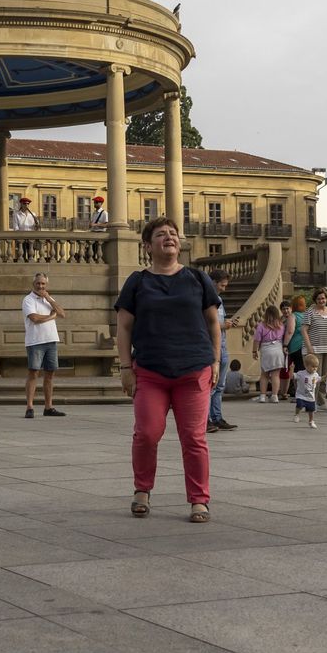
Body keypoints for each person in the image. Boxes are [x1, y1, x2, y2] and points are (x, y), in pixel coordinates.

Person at [116, 217, 221, 523]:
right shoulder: (138, 282)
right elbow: (123, 327)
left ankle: (199, 499)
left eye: (172, 234)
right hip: (150, 370)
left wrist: (215, 360)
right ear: (148, 246)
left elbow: (213, 322)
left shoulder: (198, 279)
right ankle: (142, 490)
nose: (169, 237)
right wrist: (125, 366)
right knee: (147, 433)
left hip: (194, 370)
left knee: (194, 437)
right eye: (161, 235)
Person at [20, 272, 66, 418]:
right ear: (33, 284)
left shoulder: (48, 298)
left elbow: (62, 313)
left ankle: (48, 407)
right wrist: (52, 316)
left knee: (50, 374)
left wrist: (48, 298)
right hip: (35, 341)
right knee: (33, 373)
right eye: (38, 283)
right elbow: (34, 318)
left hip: (51, 340)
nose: (41, 286)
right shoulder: (28, 300)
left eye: (43, 284)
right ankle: (29, 407)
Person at [205, 269, 240, 432]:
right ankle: (205, 420)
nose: (224, 289)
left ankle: (217, 417)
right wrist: (222, 325)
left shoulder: (218, 299)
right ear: (213, 282)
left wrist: (228, 323)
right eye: (222, 285)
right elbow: (205, 323)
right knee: (210, 386)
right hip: (211, 348)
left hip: (223, 346)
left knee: (220, 386)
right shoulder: (204, 299)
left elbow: (219, 321)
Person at [300, 289, 327, 411]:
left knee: (323, 377)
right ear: (315, 300)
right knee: (313, 378)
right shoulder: (310, 312)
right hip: (314, 348)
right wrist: (309, 348)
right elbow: (303, 330)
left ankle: (320, 403)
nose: (321, 301)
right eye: (319, 299)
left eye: (323, 298)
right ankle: (311, 402)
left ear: (326, 299)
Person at [253, 308, 285, 402]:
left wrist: (254, 351)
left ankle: (262, 396)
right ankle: (275, 396)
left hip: (266, 349)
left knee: (264, 375)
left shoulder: (261, 326)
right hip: (278, 349)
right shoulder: (281, 325)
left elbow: (257, 340)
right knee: (276, 375)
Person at [291, 353, 320, 428]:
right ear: (306, 366)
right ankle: (296, 415)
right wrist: (291, 369)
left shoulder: (315, 375)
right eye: (313, 366)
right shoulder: (301, 373)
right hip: (301, 395)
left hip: (311, 397)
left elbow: (320, 379)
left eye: (316, 367)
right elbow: (292, 376)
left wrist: (326, 376)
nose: (315, 368)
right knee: (299, 405)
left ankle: (311, 421)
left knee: (311, 410)